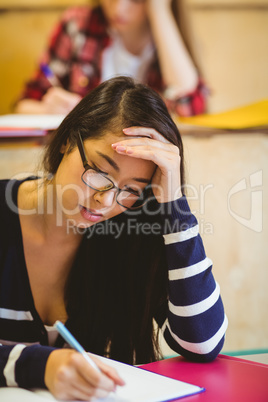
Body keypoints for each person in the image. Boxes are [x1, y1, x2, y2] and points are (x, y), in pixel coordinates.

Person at [1, 76, 227, 400]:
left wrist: (175, 205)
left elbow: (202, 343)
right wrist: (44, 366)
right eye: (99, 174)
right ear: (67, 139)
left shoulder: (132, 234)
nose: (105, 203)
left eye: (131, 190)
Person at [14, 0, 207, 117]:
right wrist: (46, 109)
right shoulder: (78, 26)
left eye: (135, 0)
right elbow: (23, 105)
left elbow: (190, 108)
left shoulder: (167, 41)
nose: (119, 8)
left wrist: (160, 12)